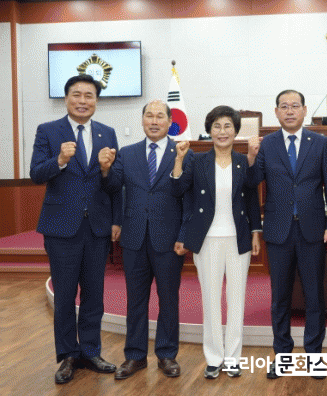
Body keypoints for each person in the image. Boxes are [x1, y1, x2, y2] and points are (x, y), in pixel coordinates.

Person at [30, 74, 120, 384]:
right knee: (65, 295)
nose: (83, 101)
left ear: (96, 101)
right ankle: (68, 355)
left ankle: (91, 351)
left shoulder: (108, 133)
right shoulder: (48, 131)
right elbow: (36, 174)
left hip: (96, 227)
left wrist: (107, 171)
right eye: (77, 94)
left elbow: (115, 184)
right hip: (61, 228)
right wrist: (59, 159)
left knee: (94, 294)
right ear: (67, 98)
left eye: (89, 95)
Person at [246, 90, 327, 379]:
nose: (289, 111)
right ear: (276, 112)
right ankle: (282, 356)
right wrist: (251, 156)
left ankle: (314, 356)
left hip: (313, 229)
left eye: (295, 106)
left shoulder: (320, 143)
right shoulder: (267, 144)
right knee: (280, 298)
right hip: (278, 231)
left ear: (304, 110)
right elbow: (252, 182)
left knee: (314, 296)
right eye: (284, 106)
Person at [98, 100, 192, 380]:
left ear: (170, 122)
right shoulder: (127, 153)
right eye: (149, 115)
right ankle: (135, 356)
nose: (154, 121)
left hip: (169, 240)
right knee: (135, 301)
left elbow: (188, 197)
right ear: (142, 121)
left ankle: (167, 354)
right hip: (134, 237)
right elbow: (113, 187)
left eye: (160, 116)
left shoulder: (183, 153)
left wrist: (184, 235)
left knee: (168, 300)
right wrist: (105, 169)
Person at [172, 106, 262, 380]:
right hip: (207, 239)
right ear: (209, 131)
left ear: (236, 131)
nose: (222, 132)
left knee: (237, 299)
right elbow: (178, 190)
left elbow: (251, 197)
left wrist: (255, 232)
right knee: (210, 300)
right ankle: (213, 358)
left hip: (238, 238)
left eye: (227, 126)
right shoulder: (197, 160)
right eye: (217, 126)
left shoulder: (243, 161)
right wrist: (179, 160)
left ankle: (233, 358)